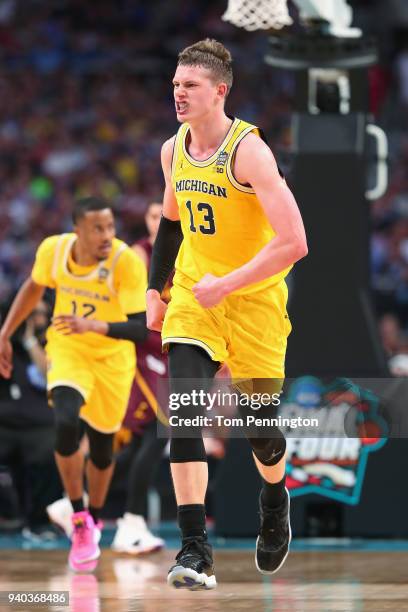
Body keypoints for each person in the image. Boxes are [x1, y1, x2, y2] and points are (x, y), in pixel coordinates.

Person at [146, 39, 308, 590]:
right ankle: (195, 550)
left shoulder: (250, 152)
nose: (178, 94)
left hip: (254, 299)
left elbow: (294, 242)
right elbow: (171, 222)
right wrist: (155, 288)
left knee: (260, 428)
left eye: (189, 86)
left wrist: (230, 284)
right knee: (186, 410)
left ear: (220, 90)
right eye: (174, 85)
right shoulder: (173, 149)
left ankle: (273, 495)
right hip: (196, 292)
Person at [0, 196, 147, 572]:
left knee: (101, 451)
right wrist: (5, 333)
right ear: (77, 229)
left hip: (112, 360)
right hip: (68, 348)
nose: (106, 235)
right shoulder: (54, 249)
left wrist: (97, 326)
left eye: (111, 227)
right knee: (65, 423)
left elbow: (141, 326)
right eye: (98, 228)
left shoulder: (124, 260)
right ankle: (79, 517)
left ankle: (94, 518)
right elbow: (34, 288)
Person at [0, 298, 63, 540]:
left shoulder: (53, 344)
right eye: (29, 313)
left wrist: (29, 341)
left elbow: (50, 376)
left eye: (39, 313)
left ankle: (39, 522)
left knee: (51, 451)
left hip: (40, 427)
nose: (34, 318)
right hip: (5, 425)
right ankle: (11, 515)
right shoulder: (5, 345)